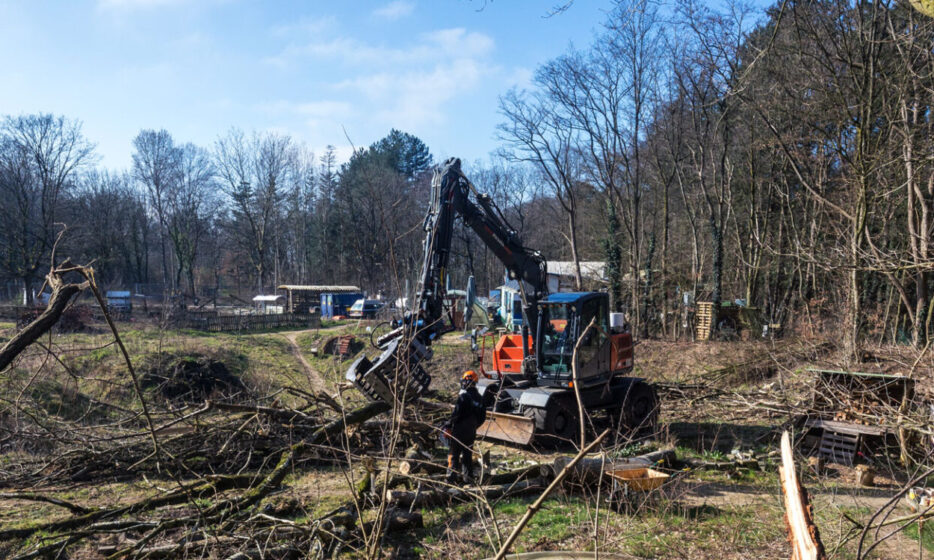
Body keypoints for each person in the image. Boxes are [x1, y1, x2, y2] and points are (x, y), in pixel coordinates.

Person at [445, 370, 486, 484]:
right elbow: (483, 417)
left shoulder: (464, 397)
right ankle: (468, 480)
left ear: (468, 380)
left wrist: (448, 425)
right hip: (471, 431)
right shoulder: (480, 398)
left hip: (459, 430)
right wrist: (473, 427)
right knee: (467, 456)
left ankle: (450, 479)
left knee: (454, 455)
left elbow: (456, 414)